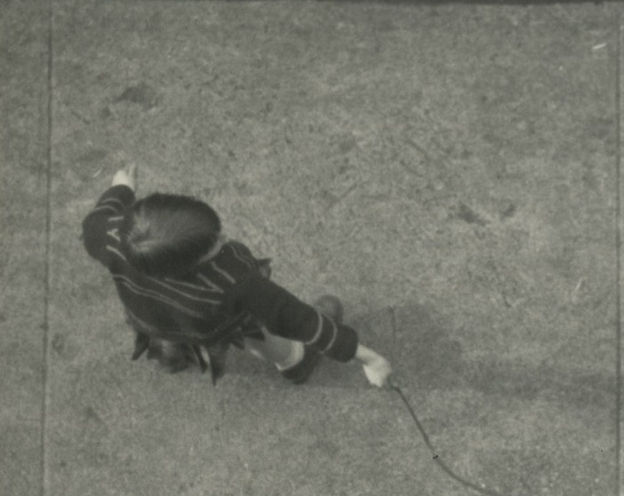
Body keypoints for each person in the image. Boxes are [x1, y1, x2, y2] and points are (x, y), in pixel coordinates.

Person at [80, 165, 392, 386]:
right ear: (190, 263)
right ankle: (295, 362)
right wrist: (369, 359)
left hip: (150, 314)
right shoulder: (232, 279)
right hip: (211, 321)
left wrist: (121, 189)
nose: (224, 238)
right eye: (214, 242)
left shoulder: (111, 237)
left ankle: (171, 354)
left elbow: (95, 219)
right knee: (254, 332)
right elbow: (296, 318)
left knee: (165, 330)